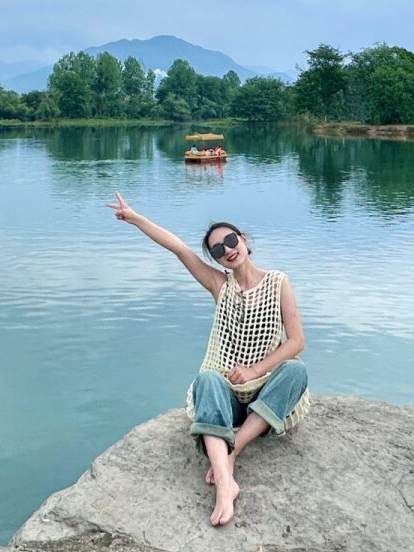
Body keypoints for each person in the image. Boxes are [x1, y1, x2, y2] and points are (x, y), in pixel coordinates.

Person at [106, 192, 309, 526]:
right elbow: (179, 248)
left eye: (231, 240)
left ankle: (231, 454)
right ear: (216, 259)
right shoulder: (219, 285)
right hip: (228, 396)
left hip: (265, 392)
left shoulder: (278, 282)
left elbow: (297, 341)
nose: (227, 249)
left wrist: (255, 370)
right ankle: (225, 486)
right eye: (218, 249)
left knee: (295, 371)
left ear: (244, 240)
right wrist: (135, 218)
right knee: (206, 379)